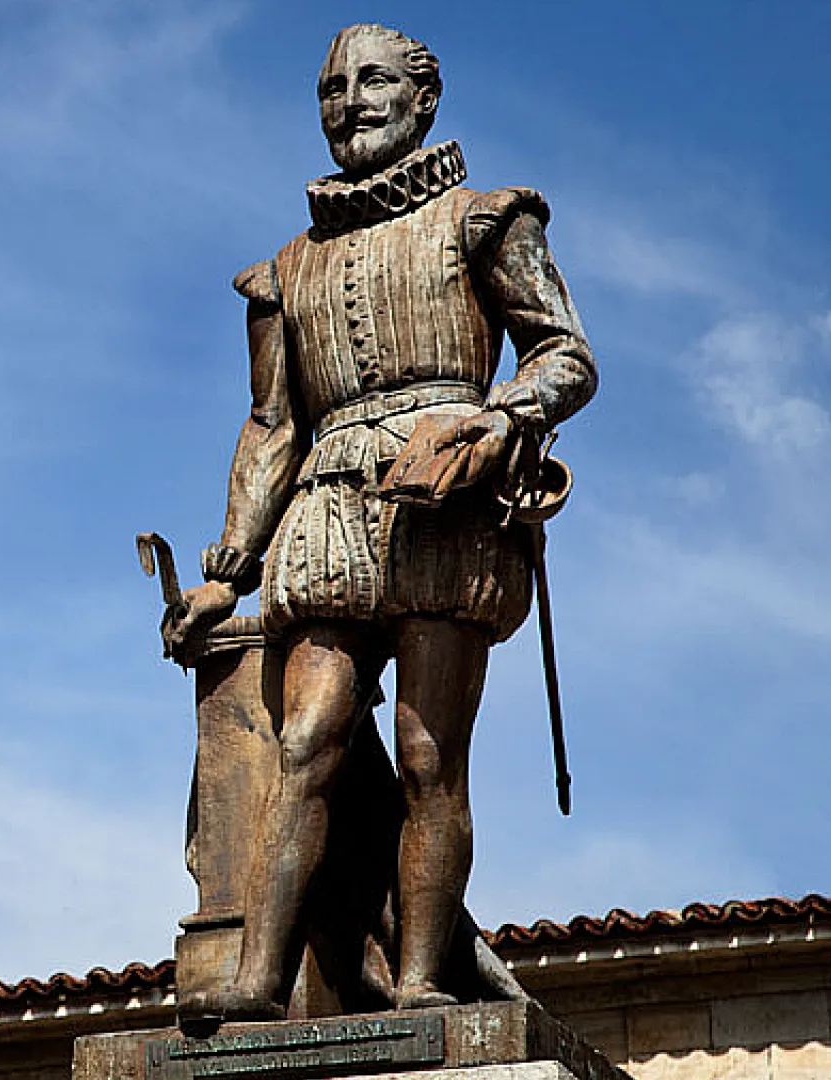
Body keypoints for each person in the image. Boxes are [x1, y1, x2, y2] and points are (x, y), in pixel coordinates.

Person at [163, 23, 596, 1020]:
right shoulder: (284, 271)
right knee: (304, 742)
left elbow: (565, 354)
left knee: (424, 755)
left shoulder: (489, 221)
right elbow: (273, 424)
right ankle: (262, 980)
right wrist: (228, 569)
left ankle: (418, 981)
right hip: (325, 515)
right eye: (330, 87)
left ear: (422, 100)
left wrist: (498, 420)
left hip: (447, 509)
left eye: (371, 81)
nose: (348, 100)